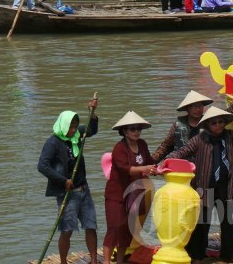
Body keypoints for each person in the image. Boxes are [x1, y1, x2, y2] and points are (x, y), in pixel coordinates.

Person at [166, 106, 233, 264]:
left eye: (221, 122)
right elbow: (182, 152)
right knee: (202, 223)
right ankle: (197, 256)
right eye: (214, 123)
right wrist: (166, 162)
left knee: (227, 222)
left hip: (225, 187)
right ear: (207, 125)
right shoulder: (200, 139)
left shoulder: (231, 135)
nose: (218, 125)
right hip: (205, 188)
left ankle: (229, 254)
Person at [37, 98, 99, 264]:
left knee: (91, 225)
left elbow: (92, 130)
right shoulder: (53, 142)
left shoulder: (78, 134)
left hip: (83, 189)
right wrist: (63, 180)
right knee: (67, 229)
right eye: (70, 127)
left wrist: (92, 113)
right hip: (67, 193)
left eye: (75, 126)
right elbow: (42, 166)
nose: (73, 130)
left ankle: (94, 260)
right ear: (63, 126)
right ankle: (63, 261)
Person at [102, 110, 157, 264]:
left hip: (134, 194)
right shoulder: (119, 148)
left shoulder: (142, 144)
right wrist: (144, 168)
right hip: (116, 195)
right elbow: (125, 169)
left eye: (138, 128)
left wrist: (158, 168)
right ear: (125, 131)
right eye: (132, 129)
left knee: (127, 230)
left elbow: (150, 161)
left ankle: (120, 261)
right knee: (114, 227)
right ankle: (106, 261)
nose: (136, 132)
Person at [152, 87, 233, 162]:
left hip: (205, 165)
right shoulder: (178, 125)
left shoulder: (210, 121)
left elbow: (232, 112)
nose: (198, 109)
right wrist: (152, 162)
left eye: (200, 106)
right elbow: (166, 145)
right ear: (187, 108)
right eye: (194, 106)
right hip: (183, 165)